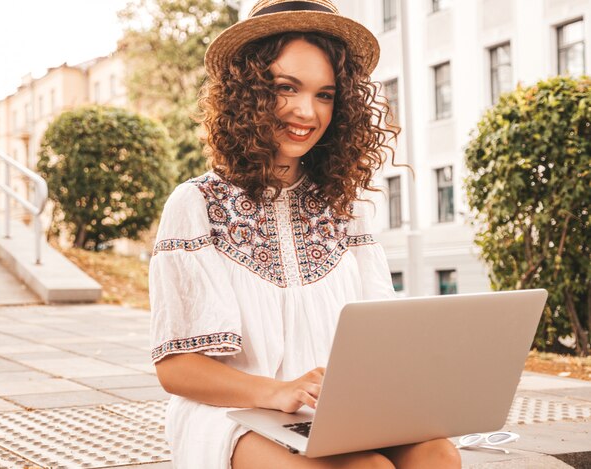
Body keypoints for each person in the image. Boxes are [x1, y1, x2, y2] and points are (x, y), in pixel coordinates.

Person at [149, 0, 462, 467]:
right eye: (285, 88)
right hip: (234, 414)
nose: (306, 111)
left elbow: (378, 335)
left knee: (439, 454)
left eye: (325, 94)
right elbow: (176, 369)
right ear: (247, 94)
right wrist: (280, 392)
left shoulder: (345, 206)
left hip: (334, 410)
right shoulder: (196, 205)